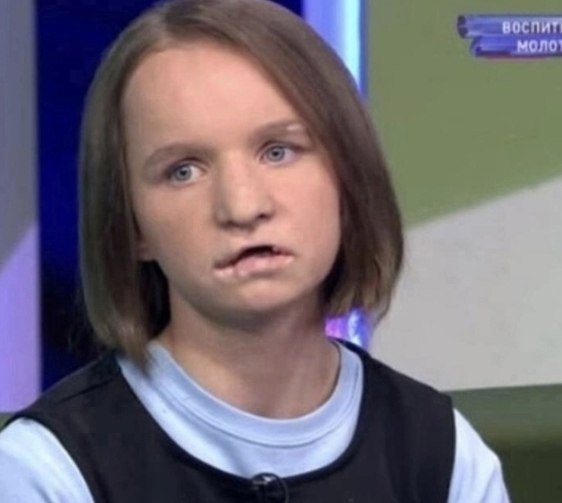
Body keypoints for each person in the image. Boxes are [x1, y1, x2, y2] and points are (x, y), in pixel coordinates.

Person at [0, 0, 510, 501]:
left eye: (278, 151)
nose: (242, 207)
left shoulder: (445, 456)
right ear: (133, 227)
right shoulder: (45, 472)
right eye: (183, 171)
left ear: (348, 180)